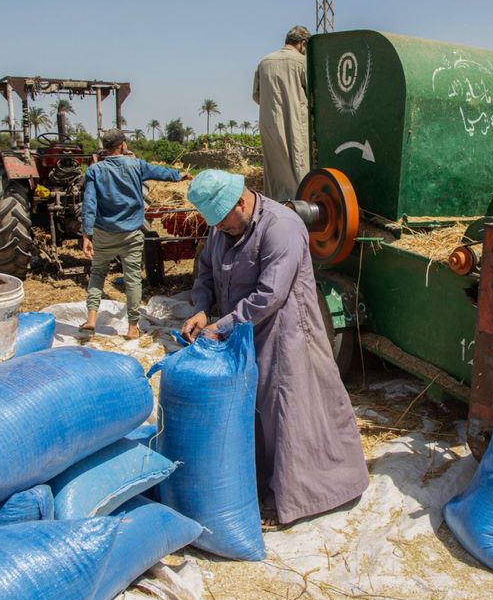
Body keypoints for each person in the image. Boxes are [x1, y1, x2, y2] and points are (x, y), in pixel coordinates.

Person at [181, 169, 368, 527]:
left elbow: (270, 294)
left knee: (287, 412)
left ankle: (300, 497)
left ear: (241, 202)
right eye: (215, 225)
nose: (220, 230)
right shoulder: (222, 227)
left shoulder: (282, 227)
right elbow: (205, 271)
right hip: (243, 333)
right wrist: (202, 309)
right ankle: (258, 485)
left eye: (224, 223)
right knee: (254, 412)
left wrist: (222, 326)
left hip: (285, 334)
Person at [80, 128, 183, 340]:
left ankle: (91, 319)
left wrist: (87, 235)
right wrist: (180, 175)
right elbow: (160, 172)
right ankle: (132, 327)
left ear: (105, 148)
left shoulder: (95, 170)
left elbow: (89, 203)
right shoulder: (136, 165)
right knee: (133, 279)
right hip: (131, 233)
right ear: (123, 145)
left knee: (98, 273)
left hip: (104, 232)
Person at [253, 25, 312, 202]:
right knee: (299, 167)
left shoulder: (264, 62)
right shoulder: (302, 62)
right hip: (295, 123)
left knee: (274, 170)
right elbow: (313, 93)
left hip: (269, 124)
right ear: (302, 43)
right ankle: (301, 210)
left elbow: (257, 95)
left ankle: (276, 207)